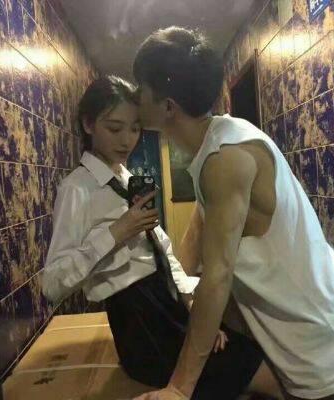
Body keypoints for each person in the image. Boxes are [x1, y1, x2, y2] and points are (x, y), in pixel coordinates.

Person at [132, 26, 334, 400]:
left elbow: (218, 274)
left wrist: (179, 389)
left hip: (330, 356)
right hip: (310, 351)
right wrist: (189, 299)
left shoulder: (225, 159)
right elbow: (202, 232)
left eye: (141, 89)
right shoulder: (217, 144)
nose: (135, 97)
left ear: (168, 106)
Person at [42, 76, 276, 400]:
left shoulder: (128, 179)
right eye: (114, 128)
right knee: (253, 370)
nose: (127, 140)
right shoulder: (76, 189)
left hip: (167, 304)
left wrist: (192, 307)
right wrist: (116, 232)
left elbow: (161, 250)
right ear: (88, 124)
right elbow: (51, 284)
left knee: (249, 350)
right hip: (139, 323)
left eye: (135, 128)